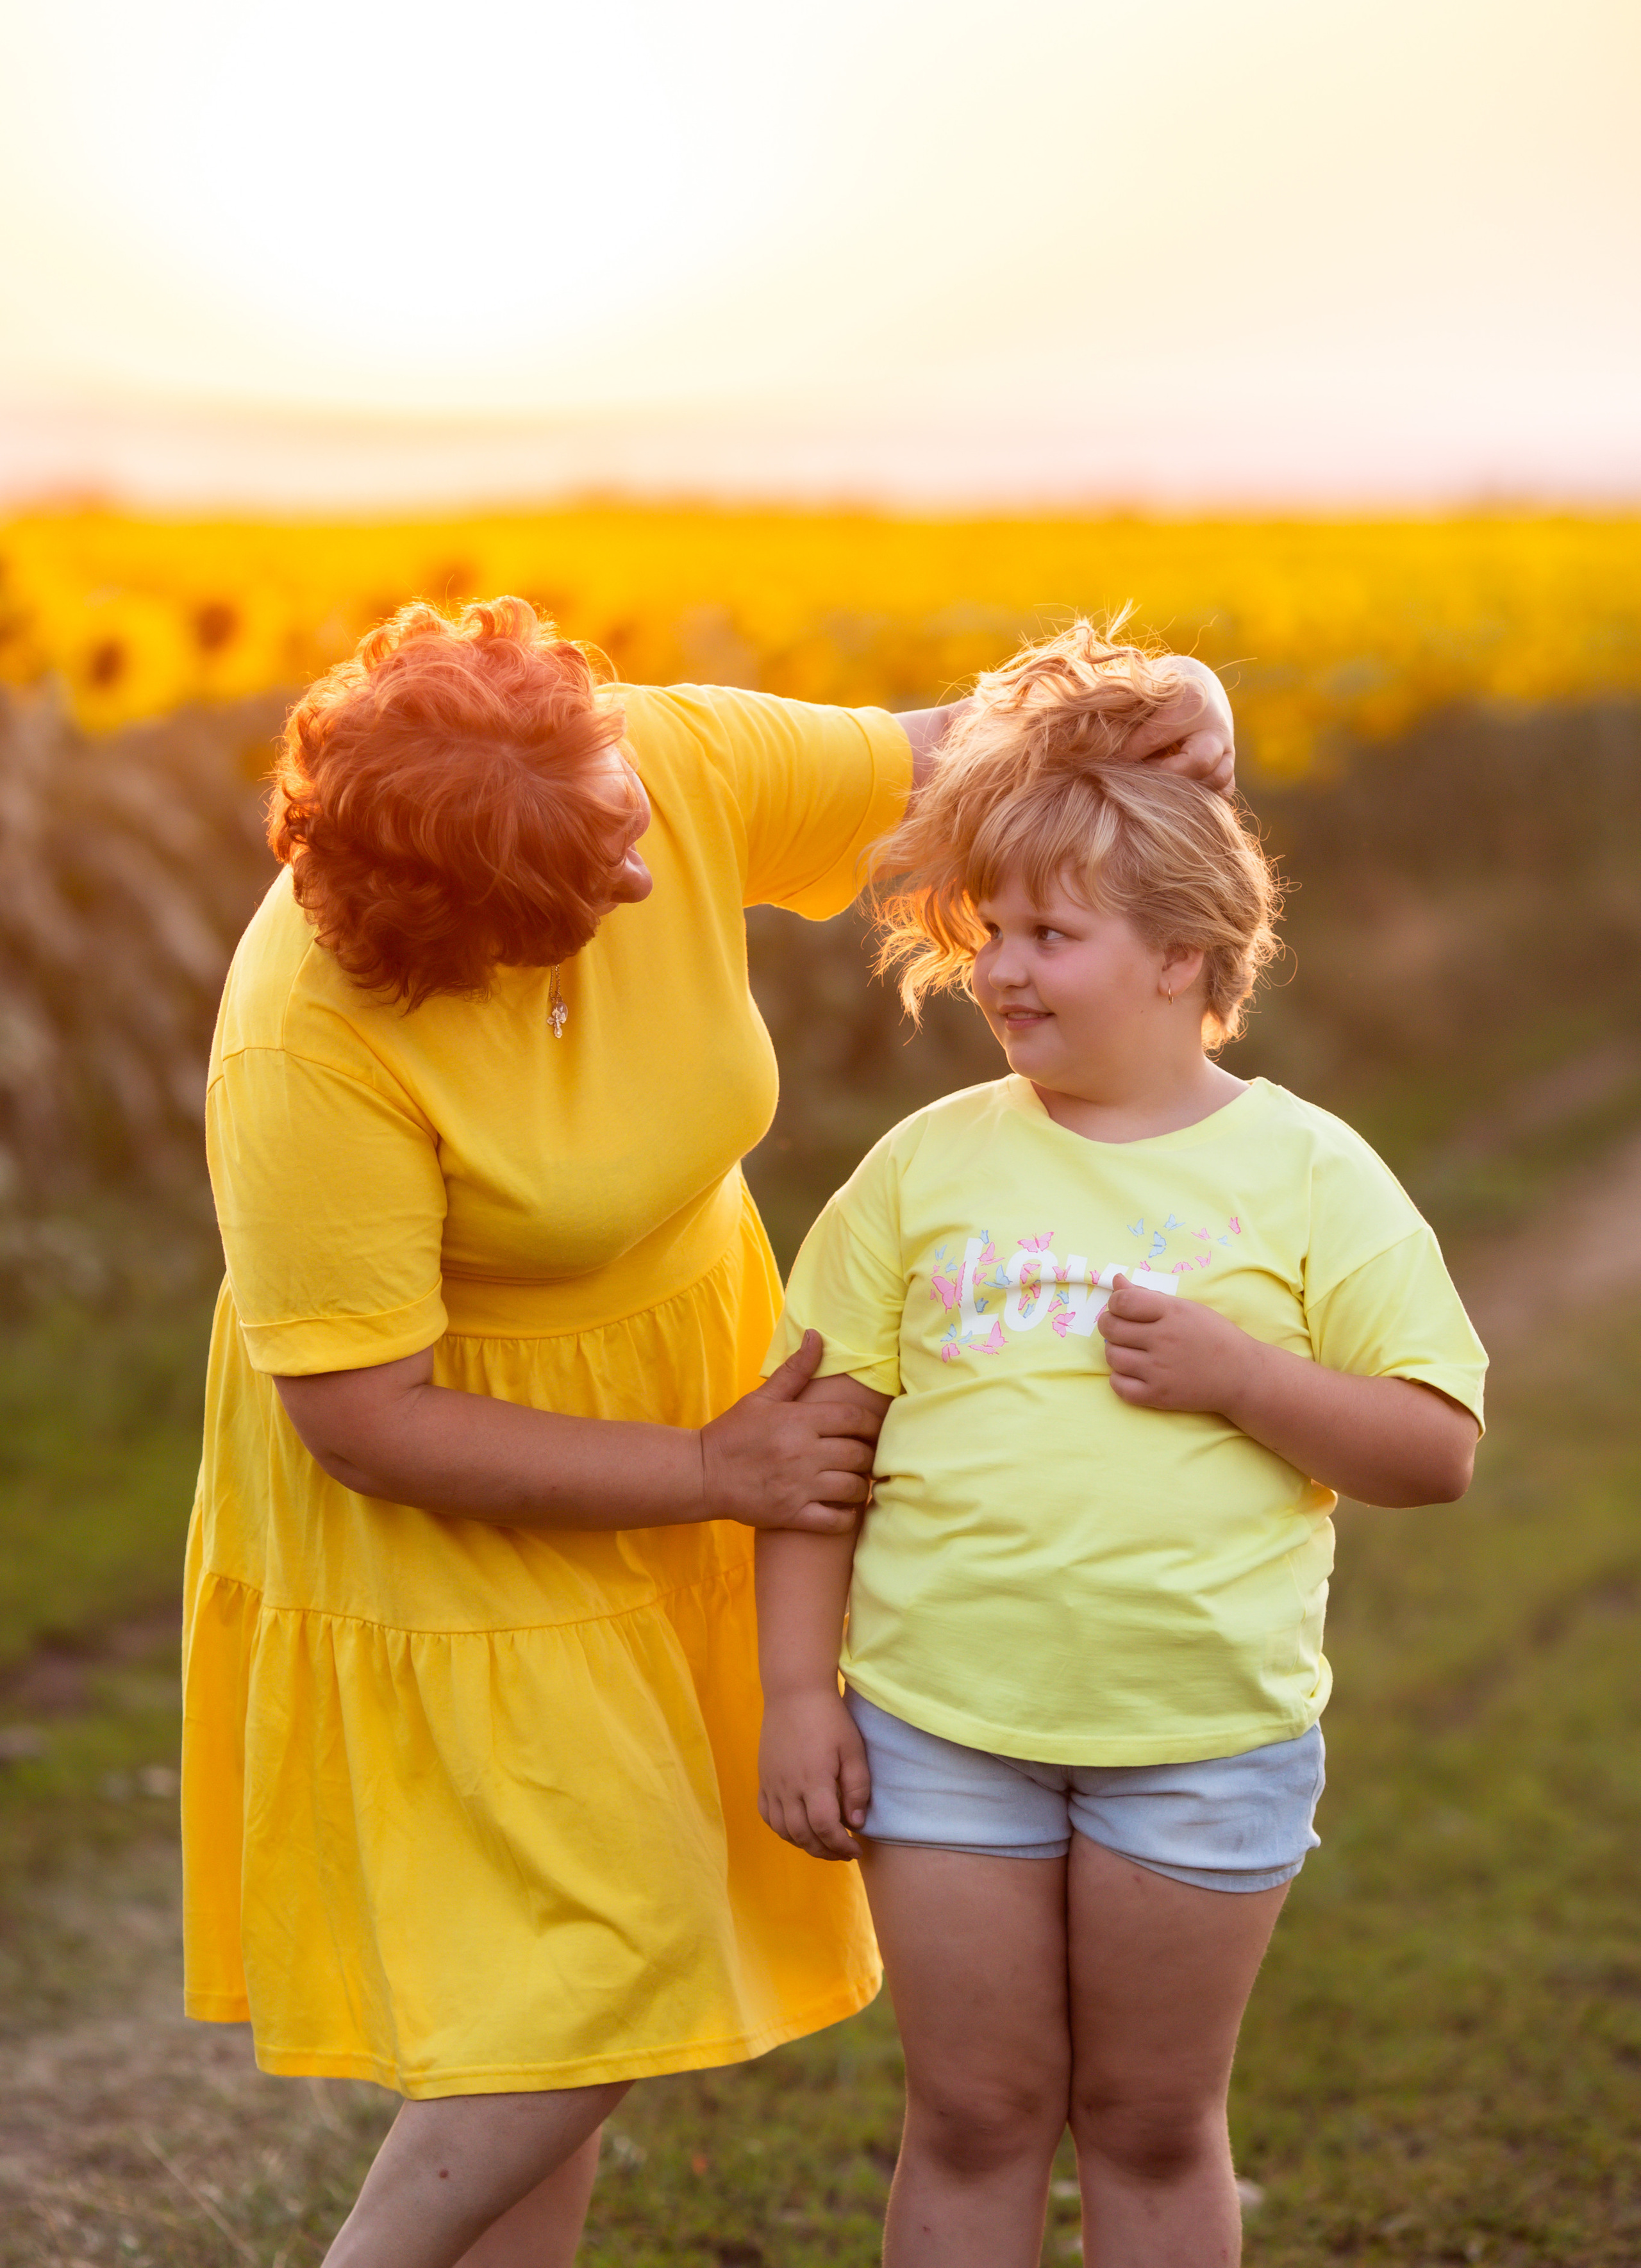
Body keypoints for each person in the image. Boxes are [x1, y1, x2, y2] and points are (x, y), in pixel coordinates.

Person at [181, 593, 1235, 2268]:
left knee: (554, 2000)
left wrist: (1167, 693)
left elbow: (950, 751)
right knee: (607, 1958)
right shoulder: (307, 1039)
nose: (650, 874)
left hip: (691, 1390)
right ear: (454, 918)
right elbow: (364, 1419)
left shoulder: (655, 759)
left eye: (625, 819)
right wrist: (706, 1475)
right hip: (457, 1485)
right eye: (589, 874)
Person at [756, 624, 1487, 2268]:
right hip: (943, 1725)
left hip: (1200, 1740)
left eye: (1051, 934)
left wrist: (1246, 1377)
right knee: (971, 2119)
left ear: (1181, 954)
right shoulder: (923, 1168)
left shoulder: (1310, 1172)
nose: (1001, 968)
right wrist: (802, 1693)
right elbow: (815, 1452)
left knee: (1153, 2127)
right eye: (990, 930)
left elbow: (1430, 1445)